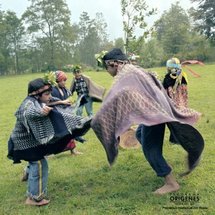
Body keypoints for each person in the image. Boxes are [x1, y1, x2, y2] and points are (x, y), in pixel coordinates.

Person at [91, 48, 204, 195]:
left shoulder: (126, 73)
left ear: (115, 63)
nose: (107, 70)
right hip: (154, 110)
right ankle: (160, 161)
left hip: (153, 113)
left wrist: (99, 117)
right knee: (139, 134)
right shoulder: (133, 69)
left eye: (107, 67)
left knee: (149, 149)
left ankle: (171, 183)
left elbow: (114, 95)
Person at [8, 78, 91, 206]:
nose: (49, 97)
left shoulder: (39, 99)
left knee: (35, 160)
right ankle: (34, 198)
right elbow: (26, 112)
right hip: (24, 143)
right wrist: (40, 111)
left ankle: (27, 173)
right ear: (35, 94)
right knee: (40, 164)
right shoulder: (28, 103)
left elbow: (51, 101)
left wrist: (62, 101)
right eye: (47, 94)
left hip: (30, 141)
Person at [51, 70, 83, 155]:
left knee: (69, 132)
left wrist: (70, 102)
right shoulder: (52, 90)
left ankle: (73, 150)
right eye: (63, 80)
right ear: (57, 81)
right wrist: (62, 102)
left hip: (65, 114)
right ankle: (48, 153)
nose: (65, 82)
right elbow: (48, 103)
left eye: (65, 80)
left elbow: (67, 99)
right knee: (55, 135)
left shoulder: (64, 89)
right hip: (56, 115)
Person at [163, 58, 188, 143]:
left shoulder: (168, 77)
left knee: (174, 121)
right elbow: (185, 90)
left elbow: (164, 90)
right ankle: (177, 138)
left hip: (172, 102)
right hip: (181, 102)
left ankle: (175, 139)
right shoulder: (182, 75)